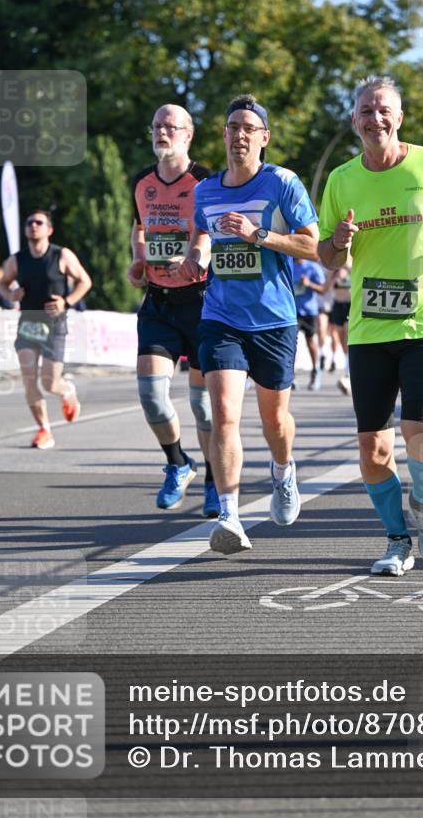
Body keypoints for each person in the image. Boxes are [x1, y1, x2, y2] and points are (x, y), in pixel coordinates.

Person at [318, 76, 423, 577]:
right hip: (370, 329)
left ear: (400, 116)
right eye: (366, 112)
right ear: (354, 121)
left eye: (384, 110)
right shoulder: (341, 179)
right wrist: (338, 240)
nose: (375, 119)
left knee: (421, 435)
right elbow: (328, 259)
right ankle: (398, 541)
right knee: (373, 449)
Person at [178, 93, 319, 555]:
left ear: (264, 137)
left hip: (274, 319)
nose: (239, 135)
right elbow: (201, 235)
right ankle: (230, 515)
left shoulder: (282, 183)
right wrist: (194, 259)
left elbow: (313, 247)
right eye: (232, 126)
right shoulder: (205, 190)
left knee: (275, 421)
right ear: (223, 135)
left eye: (248, 128)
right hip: (221, 316)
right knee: (223, 413)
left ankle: (283, 470)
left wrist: (257, 234)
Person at [126, 103, 219, 517]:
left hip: (201, 304)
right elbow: (140, 226)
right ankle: (178, 463)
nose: (162, 132)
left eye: (171, 126)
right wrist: (137, 259)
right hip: (160, 304)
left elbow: (209, 230)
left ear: (188, 135)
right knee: (151, 397)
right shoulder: (141, 182)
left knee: (203, 406)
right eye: (157, 125)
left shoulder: (204, 180)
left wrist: (197, 256)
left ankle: (216, 482)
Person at [0, 210, 91, 448]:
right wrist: (11, 294)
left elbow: (85, 281)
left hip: (54, 325)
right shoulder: (17, 259)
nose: (33, 226)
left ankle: (66, 390)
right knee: (29, 379)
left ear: (49, 229)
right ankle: (44, 430)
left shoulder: (61, 255)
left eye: (39, 222)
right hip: (28, 323)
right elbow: (2, 283)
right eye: (29, 222)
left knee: (50, 383)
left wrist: (66, 302)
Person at [292, 258, 326, 390]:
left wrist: (309, 284)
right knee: (291, 344)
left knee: (310, 341)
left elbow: (323, 289)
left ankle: (315, 370)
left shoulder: (313, 267)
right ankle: (291, 376)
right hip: (292, 311)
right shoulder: (288, 264)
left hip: (309, 311)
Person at [325, 261, 353, 394]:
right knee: (342, 340)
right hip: (338, 305)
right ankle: (349, 366)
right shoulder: (333, 269)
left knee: (348, 336)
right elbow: (325, 289)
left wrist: (347, 269)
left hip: (350, 304)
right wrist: (333, 276)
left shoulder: (352, 265)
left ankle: (348, 374)